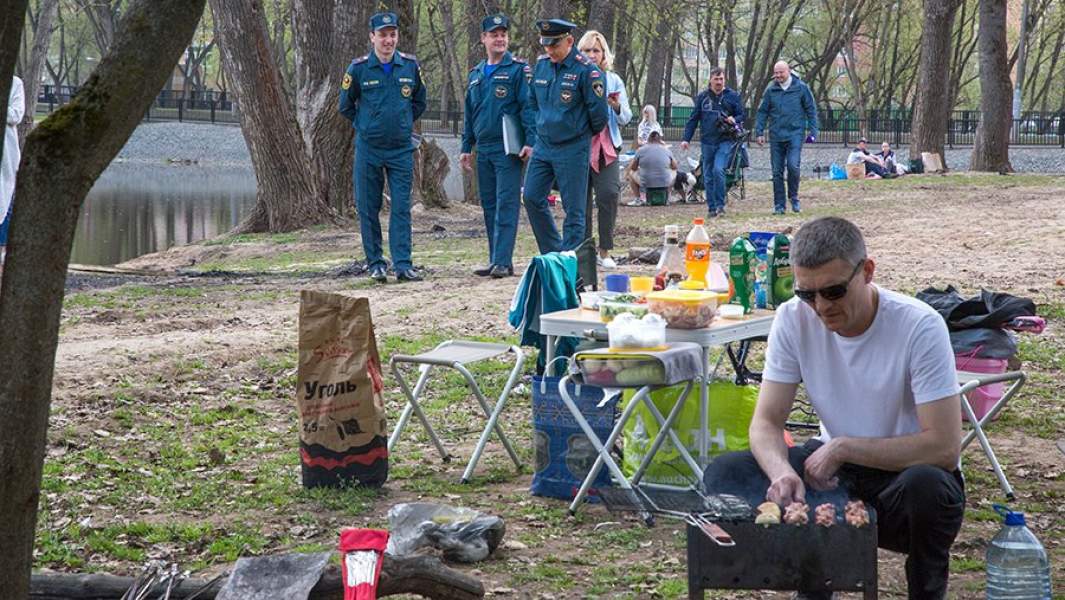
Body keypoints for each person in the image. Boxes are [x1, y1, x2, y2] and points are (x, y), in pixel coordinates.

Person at [704, 216, 965, 600]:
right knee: (727, 471)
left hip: (902, 477)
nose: (821, 307)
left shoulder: (918, 326)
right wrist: (781, 473)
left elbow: (943, 448)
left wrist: (844, 446)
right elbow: (766, 423)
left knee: (926, 485)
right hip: (829, 475)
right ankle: (811, 579)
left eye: (834, 291)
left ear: (868, 272)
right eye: (807, 294)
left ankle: (925, 591)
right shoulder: (793, 318)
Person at [339, 12, 426, 283]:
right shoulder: (359, 69)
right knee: (368, 207)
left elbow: (420, 102)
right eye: (383, 34)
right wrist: (367, 126)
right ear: (372, 37)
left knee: (401, 207)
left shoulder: (410, 67)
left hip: (401, 149)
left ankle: (402, 265)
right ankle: (375, 263)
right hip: (369, 149)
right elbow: (345, 106)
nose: (388, 40)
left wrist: (400, 123)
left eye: (392, 34)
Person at [522, 18, 610, 254]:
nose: (549, 50)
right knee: (531, 196)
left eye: (554, 45)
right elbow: (532, 102)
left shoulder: (586, 71)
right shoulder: (541, 65)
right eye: (546, 45)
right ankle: (553, 253)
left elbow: (599, 116)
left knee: (574, 210)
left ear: (569, 41)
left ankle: (570, 266)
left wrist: (578, 132)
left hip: (572, 147)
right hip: (543, 145)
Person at [459, 14, 535, 279]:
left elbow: (528, 107)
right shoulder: (476, 74)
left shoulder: (517, 70)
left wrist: (530, 141)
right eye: (494, 34)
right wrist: (466, 146)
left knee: (506, 204)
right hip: (484, 149)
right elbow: (470, 113)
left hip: (508, 148)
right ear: (483, 39)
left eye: (503, 34)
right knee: (489, 204)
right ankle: (496, 260)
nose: (500, 38)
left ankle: (503, 260)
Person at [577, 29, 631, 270]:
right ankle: (584, 251)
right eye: (586, 50)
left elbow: (627, 118)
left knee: (609, 194)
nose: (591, 54)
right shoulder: (573, 76)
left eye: (595, 50)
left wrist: (616, 106)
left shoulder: (613, 80)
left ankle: (605, 250)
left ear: (603, 54)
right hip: (578, 147)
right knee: (581, 201)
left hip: (607, 146)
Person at [680, 67, 745, 218]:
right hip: (707, 141)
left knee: (718, 170)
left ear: (724, 80)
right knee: (708, 175)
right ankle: (711, 207)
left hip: (725, 140)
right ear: (710, 80)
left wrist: (734, 119)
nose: (719, 82)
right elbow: (693, 119)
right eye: (716, 79)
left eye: (721, 79)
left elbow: (742, 114)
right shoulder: (703, 97)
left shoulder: (732, 96)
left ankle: (721, 206)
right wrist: (686, 139)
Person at [755, 61, 818, 215]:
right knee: (776, 172)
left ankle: (794, 197)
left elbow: (811, 109)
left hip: (795, 134)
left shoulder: (801, 88)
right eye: (775, 73)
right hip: (776, 136)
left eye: (780, 72)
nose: (778, 76)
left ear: (788, 71)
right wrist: (759, 132)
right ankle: (779, 205)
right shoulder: (771, 90)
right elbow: (763, 112)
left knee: (793, 166)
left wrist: (813, 132)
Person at [0, 75, 23, 264]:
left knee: (6, 198)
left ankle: (3, 249)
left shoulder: (15, 83)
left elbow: (16, 114)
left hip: (6, 153)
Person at [626, 131, 677, 197]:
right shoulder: (667, 150)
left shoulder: (640, 150)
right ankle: (667, 198)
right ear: (660, 140)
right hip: (665, 182)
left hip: (646, 182)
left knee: (631, 173)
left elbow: (633, 168)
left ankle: (638, 199)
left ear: (648, 139)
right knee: (674, 172)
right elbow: (675, 166)